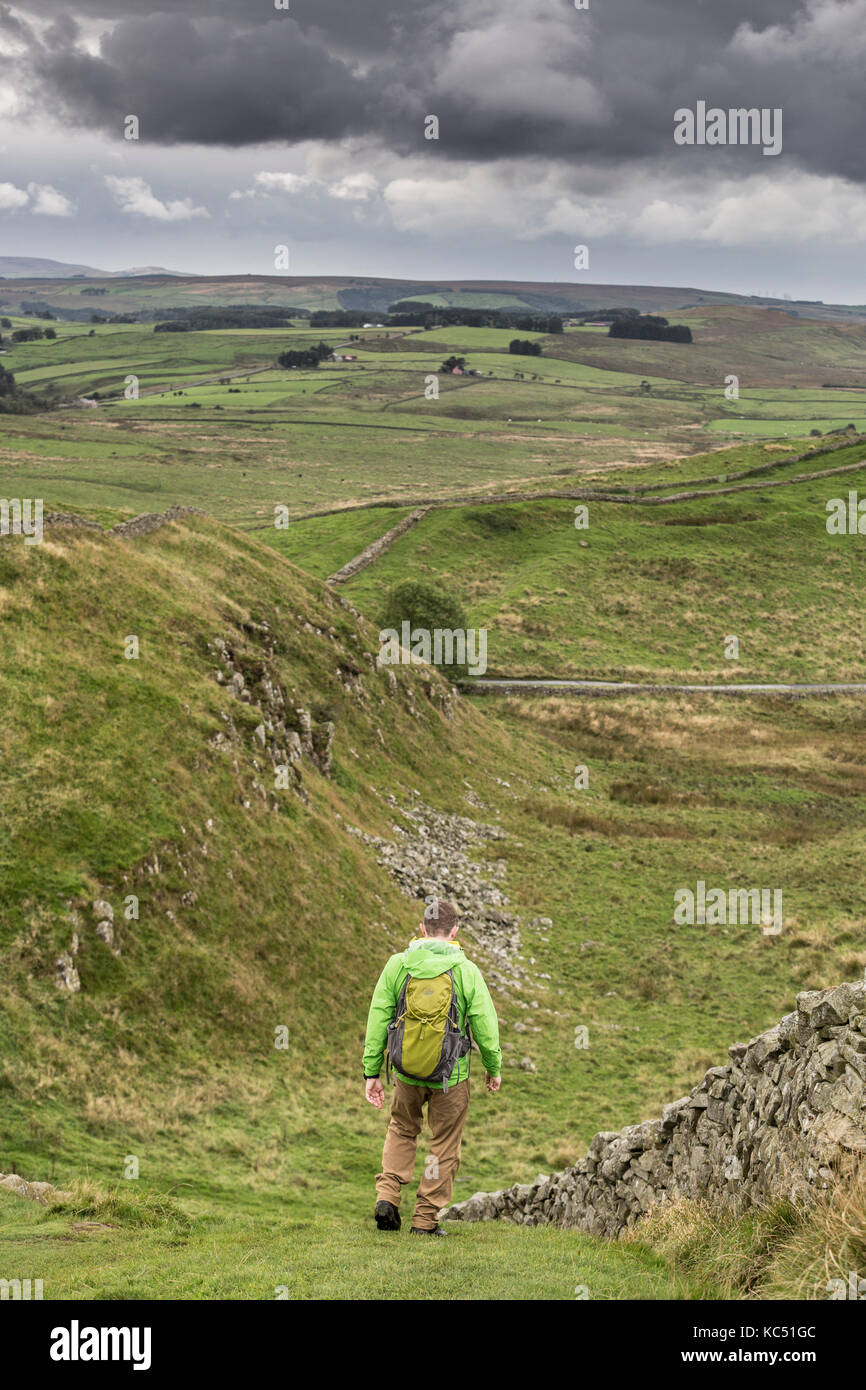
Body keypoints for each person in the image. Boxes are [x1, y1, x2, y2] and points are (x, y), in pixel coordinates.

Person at [363, 898, 501, 1236]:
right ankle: (424, 1221)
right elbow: (485, 1023)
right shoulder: (465, 970)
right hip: (451, 1077)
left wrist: (371, 1072)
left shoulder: (398, 965)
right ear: (454, 932)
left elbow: (378, 1017)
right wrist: (493, 1066)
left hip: (405, 1071)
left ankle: (388, 1197)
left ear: (422, 930)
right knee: (443, 1145)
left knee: (401, 1129)